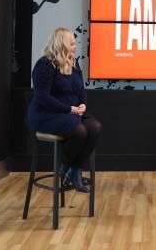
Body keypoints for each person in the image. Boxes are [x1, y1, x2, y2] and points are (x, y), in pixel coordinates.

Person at [27, 27, 102, 192]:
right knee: (80, 131)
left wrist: (83, 104)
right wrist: (70, 109)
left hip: (71, 111)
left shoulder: (73, 63)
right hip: (47, 114)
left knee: (95, 127)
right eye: (72, 43)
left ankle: (73, 170)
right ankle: (66, 168)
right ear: (62, 44)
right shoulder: (44, 65)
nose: (75, 47)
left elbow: (80, 89)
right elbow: (43, 98)